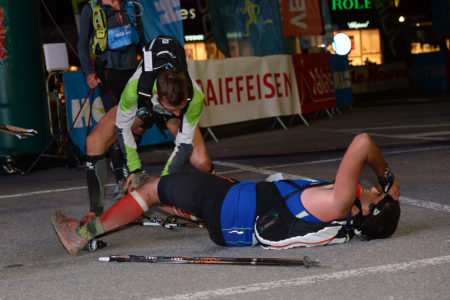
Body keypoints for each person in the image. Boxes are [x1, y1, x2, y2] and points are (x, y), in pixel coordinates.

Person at [52, 133, 400, 256]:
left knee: (152, 189)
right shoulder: (342, 210)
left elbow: (363, 143)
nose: (373, 188)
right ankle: (149, 207)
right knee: (175, 191)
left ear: (368, 213)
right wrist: (386, 192)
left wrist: (387, 177)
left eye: (377, 195)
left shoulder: (339, 203)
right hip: (232, 210)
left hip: (226, 206)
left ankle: (84, 234)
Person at [83, 35, 213, 220]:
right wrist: (135, 169)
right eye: (173, 108)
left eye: (180, 108)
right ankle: (94, 211)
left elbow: (184, 144)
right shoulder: (135, 89)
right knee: (94, 141)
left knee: (201, 161)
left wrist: (163, 183)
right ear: (158, 96)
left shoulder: (195, 97)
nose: (178, 113)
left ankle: (219, 195)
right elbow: (122, 127)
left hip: (165, 112)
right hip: (142, 108)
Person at [78, 0, 143, 200]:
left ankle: (128, 170)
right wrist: (89, 73)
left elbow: (142, 41)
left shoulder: (131, 6)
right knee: (118, 126)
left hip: (132, 73)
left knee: (139, 125)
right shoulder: (91, 9)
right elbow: (82, 45)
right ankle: (121, 178)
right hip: (108, 74)